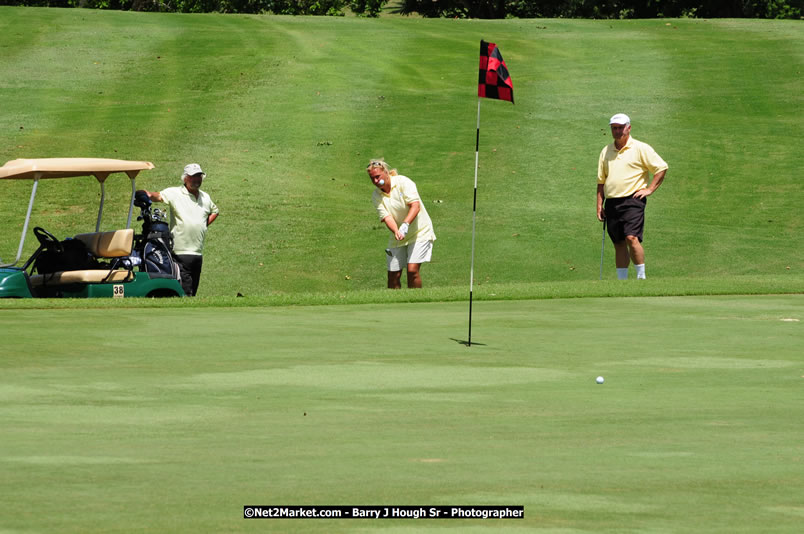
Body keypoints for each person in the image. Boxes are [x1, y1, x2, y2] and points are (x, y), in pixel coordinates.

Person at [596, 113, 668, 280]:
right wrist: (600, 204)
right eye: (614, 128)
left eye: (621, 128)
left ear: (628, 128)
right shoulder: (606, 151)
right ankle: (622, 282)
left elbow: (661, 168)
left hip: (633, 200)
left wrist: (649, 189)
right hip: (612, 202)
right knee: (619, 242)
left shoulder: (640, 148)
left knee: (631, 237)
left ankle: (641, 278)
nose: (617, 131)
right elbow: (601, 181)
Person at [140, 163, 219, 296]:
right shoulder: (175, 193)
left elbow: (215, 211)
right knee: (185, 292)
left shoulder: (205, 197)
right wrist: (146, 194)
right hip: (180, 253)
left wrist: (203, 225)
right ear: (185, 179)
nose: (196, 180)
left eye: (199, 176)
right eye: (193, 177)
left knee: (193, 291)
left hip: (197, 254)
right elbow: (158, 196)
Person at [367, 160, 436, 289]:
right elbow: (387, 217)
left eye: (378, 177)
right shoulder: (376, 196)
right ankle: (394, 306)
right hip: (398, 235)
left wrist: (405, 225)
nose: (376, 181)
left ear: (386, 173)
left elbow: (415, 206)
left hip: (419, 231)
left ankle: (415, 302)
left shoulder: (403, 182)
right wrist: (396, 231)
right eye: (372, 179)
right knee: (393, 275)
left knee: (412, 270)